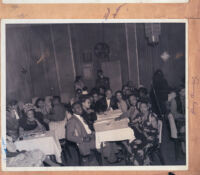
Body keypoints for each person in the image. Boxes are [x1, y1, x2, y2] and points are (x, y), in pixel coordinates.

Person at [131, 99, 159, 165]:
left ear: (148, 107)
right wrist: (135, 120)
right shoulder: (140, 115)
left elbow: (156, 131)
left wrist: (146, 130)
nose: (142, 109)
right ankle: (145, 161)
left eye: (144, 107)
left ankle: (140, 163)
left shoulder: (152, 117)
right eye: (141, 107)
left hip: (151, 138)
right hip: (143, 137)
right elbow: (131, 122)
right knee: (133, 144)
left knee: (139, 151)